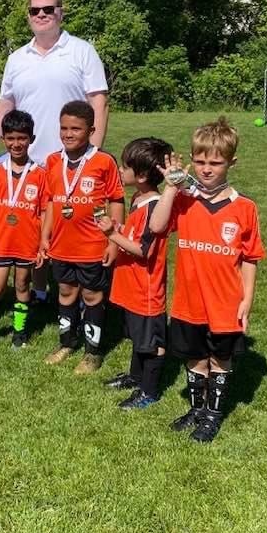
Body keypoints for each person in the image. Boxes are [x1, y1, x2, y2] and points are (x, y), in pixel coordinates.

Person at [0, 0, 109, 302]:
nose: (42, 15)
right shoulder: (17, 58)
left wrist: (95, 152)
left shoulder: (81, 50)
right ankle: (38, 294)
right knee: (31, 224)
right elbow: (3, 106)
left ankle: (77, 289)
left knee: (73, 222)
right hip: (29, 160)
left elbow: (98, 102)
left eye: (49, 9)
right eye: (35, 10)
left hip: (71, 159)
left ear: (61, 12)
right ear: (28, 16)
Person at [150, 117, 266, 443]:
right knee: (194, 356)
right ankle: (197, 408)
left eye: (215, 162)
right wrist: (171, 188)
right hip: (189, 300)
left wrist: (247, 300)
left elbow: (250, 259)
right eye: (199, 161)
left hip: (225, 302)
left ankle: (214, 414)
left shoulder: (244, 208)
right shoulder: (185, 200)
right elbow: (157, 227)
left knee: (220, 358)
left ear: (232, 162)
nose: (206, 169)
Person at [39, 101, 125, 374]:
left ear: (91, 130)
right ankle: (67, 342)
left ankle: (92, 352)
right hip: (62, 245)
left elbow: (116, 201)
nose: (68, 134)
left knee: (91, 294)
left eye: (76, 128)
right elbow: (52, 201)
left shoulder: (103, 161)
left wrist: (113, 240)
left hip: (92, 245)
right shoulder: (53, 161)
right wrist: (45, 236)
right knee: (65, 292)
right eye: (63, 128)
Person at [97, 137, 173, 410]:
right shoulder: (139, 198)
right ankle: (135, 376)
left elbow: (144, 250)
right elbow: (135, 234)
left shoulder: (155, 206)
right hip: (131, 286)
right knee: (138, 338)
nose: (120, 170)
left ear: (140, 175)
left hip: (147, 290)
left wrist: (112, 234)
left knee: (151, 343)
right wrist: (120, 229)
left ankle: (149, 392)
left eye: (125, 166)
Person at [0, 110, 48, 350]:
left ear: (31, 138)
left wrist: (42, 244)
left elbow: (45, 211)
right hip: (2, 242)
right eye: (11, 138)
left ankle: (19, 333)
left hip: (27, 242)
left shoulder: (40, 174)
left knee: (22, 286)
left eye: (22, 138)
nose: (16, 143)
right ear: (3, 140)